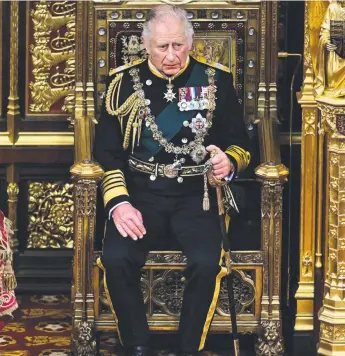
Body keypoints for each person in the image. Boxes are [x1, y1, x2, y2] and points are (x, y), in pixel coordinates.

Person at [93, 5, 251, 356]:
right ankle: (137, 345)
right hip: (141, 194)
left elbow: (241, 142)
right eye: (162, 47)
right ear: (146, 45)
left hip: (198, 195)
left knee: (207, 262)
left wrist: (228, 161)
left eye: (178, 45)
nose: (171, 56)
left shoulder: (215, 80)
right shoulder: (123, 83)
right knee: (117, 258)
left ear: (190, 43)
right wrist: (119, 204)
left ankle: (188, 348)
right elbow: (106, 152)